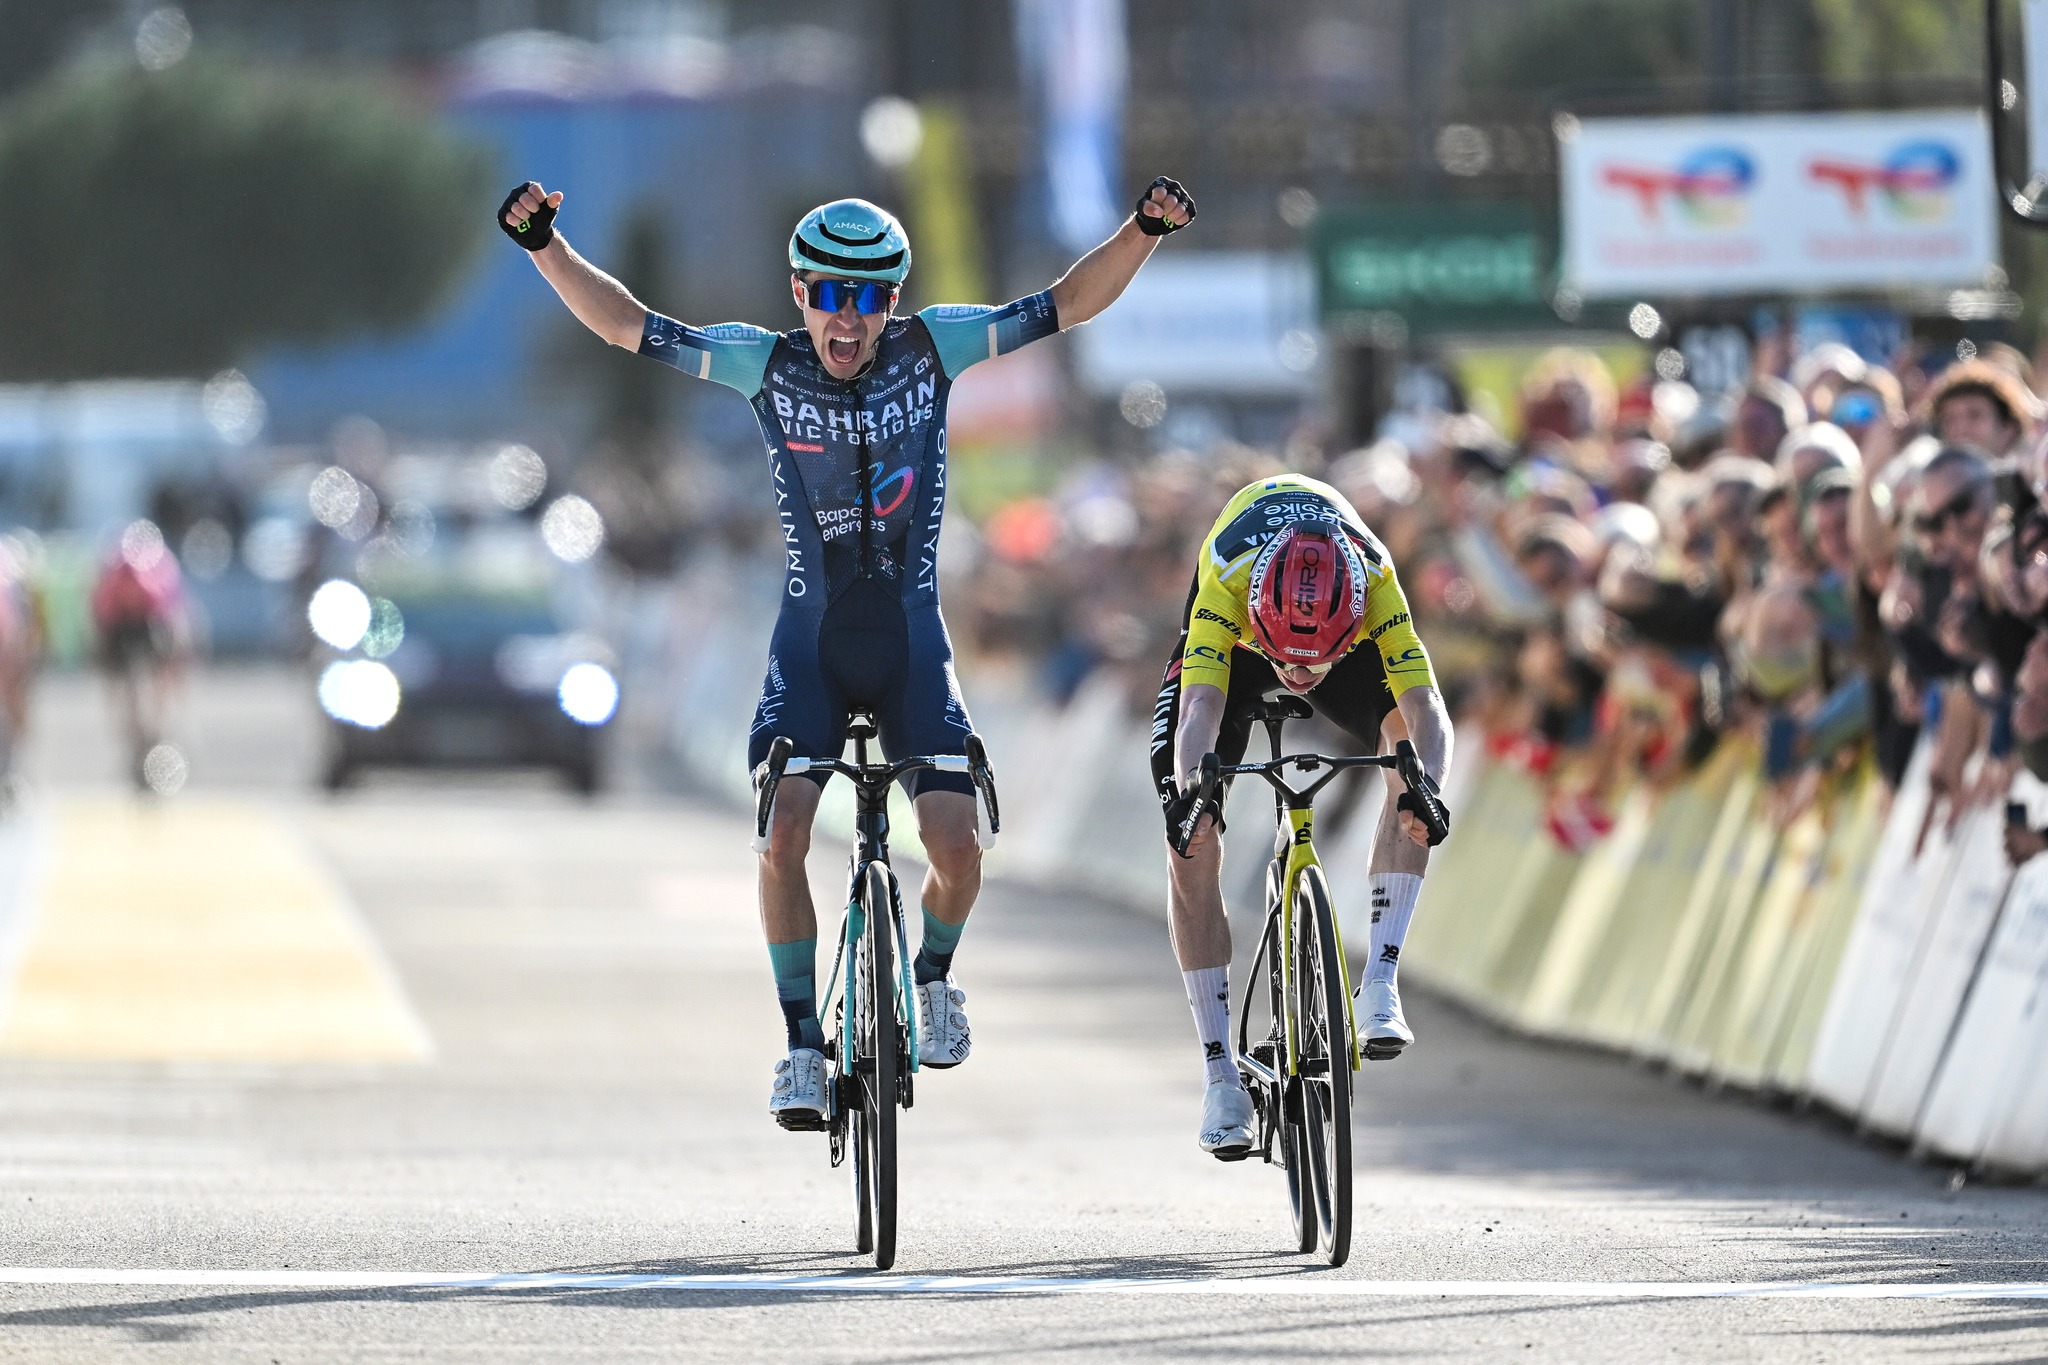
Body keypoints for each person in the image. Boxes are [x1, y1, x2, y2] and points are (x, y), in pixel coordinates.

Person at [500, 173, 1197, 1130]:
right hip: (811, 644)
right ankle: (799, 1043)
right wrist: (545, 247)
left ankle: (935, 977)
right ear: (800, 294)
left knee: (954, 841)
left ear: (894, 303)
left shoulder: (936, 347)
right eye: (831, 294)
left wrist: (1143, 230)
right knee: (784, 831)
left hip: (911, 640)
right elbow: (629, 326)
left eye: (870, 298)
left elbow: (1068, 304)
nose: (850, 318)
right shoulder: (761, 364)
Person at [1148, 474, 1454, 1157]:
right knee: (1190, 838)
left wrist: (1426, 788)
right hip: (1236, 654)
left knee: (1409, 770)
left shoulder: (1373, 576)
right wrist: (1193, 790)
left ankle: (1380, 979)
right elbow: (1199, 710)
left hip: (1332, 627)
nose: (1301, 672)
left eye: (1315, 662)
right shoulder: (1229, 577)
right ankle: (1220, 1072)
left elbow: (1428, 707)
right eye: (1291, 658)